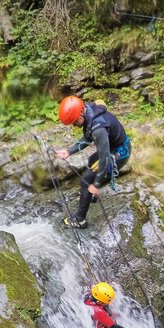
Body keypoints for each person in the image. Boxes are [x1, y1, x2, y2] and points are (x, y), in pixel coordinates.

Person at [55, 96, 131, 229]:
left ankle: (80, 220)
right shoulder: (89, 109)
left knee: (85, 181)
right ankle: (90, 196)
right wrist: (69, 152)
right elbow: (87, 136)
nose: (74, 125)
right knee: (91, 160)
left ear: (80, 112)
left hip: (120, 153)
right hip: (114, 147)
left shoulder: (99, 129)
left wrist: (96, 184)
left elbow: (105, 158)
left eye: (74, 122)